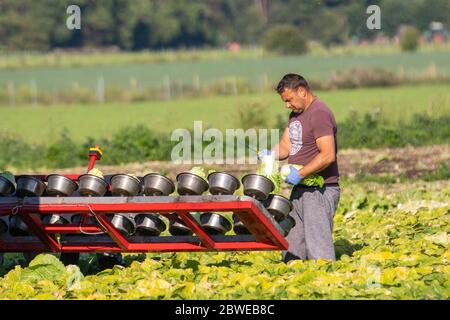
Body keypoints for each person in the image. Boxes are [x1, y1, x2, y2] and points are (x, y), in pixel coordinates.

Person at [260, 73, 340, 261]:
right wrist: (270, 154)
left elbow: (327, 155)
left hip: (320, 190)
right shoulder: (295, 116)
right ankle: (295, 283)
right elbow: (286, 146)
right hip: (300, 190)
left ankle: (327, 284)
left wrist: (301, 173)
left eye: (289, 100)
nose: (287, 105)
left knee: (319, 251)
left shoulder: (319, 113)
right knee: (291, 248)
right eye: (284, 101)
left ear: (302, 91)